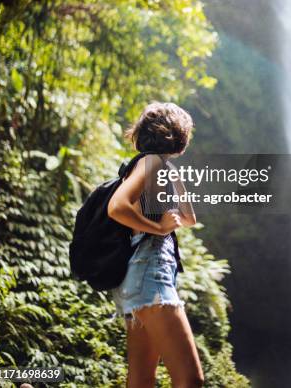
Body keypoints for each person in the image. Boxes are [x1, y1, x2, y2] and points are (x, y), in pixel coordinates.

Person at [107, 101, 204, 388]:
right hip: (150, 275)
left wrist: (176, 178)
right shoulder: (150, 164)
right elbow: (117, 207)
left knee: (141, 382)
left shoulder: (157, 167)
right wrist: (158, 227)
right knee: (191, 380)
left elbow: (189, 218)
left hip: (138, 278)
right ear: (177, 134)